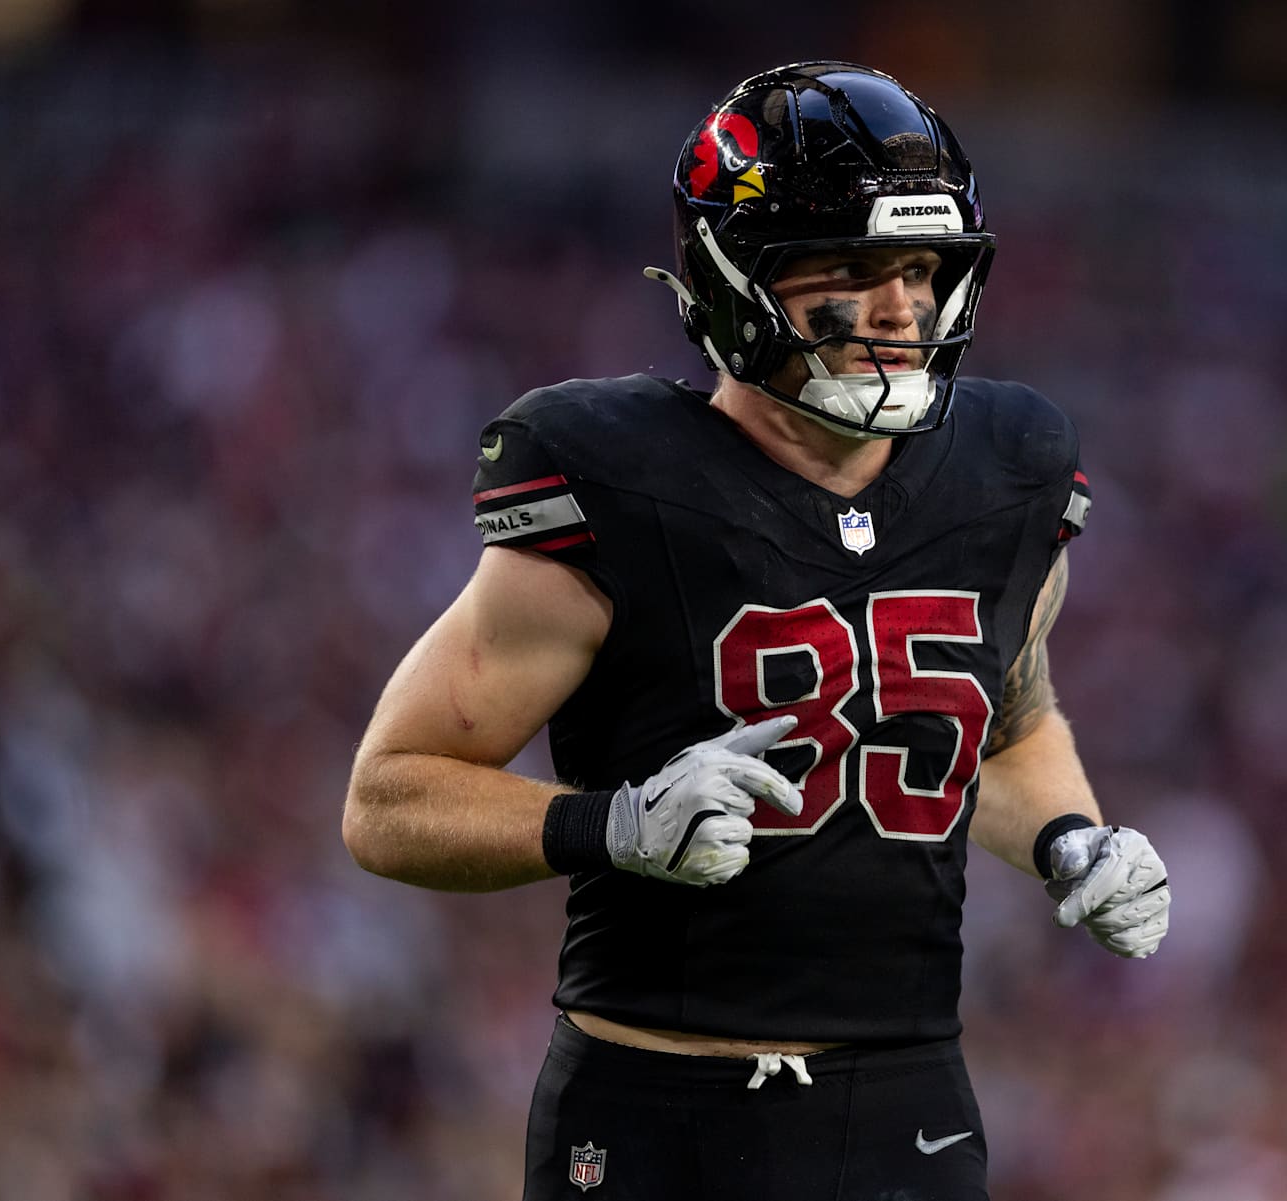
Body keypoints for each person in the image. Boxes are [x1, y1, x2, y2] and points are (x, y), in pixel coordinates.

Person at [342, 61, 1172, 1200]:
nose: (898, 309)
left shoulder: (1009, 472)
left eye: (920, 270)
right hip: (651, 1103)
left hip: (902, 1105)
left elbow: (1003, 723)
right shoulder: (617, 474)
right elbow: (386, 798)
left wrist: (1071, 836)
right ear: (739, 278)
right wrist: (613, 825)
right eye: (850, 270)